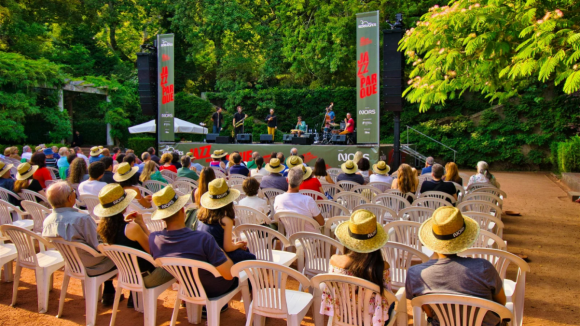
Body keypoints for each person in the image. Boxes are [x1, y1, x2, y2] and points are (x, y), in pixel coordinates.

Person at [406, 207, 506, 326]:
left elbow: (428, 312)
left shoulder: (415, 274)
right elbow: (501, 303)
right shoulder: (483, 268)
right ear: (464, 237)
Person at [148, 185, 239, 299]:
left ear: (162, 217)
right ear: (182, 210)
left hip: (187, 287)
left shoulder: (153, 239)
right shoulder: (203, 239)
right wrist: (220, 250)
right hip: (215, 288)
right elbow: (229, 274)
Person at [42, 181, 120, 306]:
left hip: (72, 262)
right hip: (94, 264)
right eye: (73, 192)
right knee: (122, 252)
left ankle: (109, 290)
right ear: (69, 198)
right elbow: (98, 246)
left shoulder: (47, 220)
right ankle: (132, 297)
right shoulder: (81, 219)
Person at [95, 184, 174, 305]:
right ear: (124, 205)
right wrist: (142, 225)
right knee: (180, 268)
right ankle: (189, 302)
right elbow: (153, 250)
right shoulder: (132, 229)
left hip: (126, 276)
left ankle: (135, 297)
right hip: (147, 277)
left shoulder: (102, 229)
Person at [321, 209, 392, 326]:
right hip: (371, 321)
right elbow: (387, 297)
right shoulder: (382, 267)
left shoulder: (335, 260)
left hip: (343, 317)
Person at [197, 179, 256, 263]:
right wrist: (239, 245)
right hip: (218, 257)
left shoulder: (202, 216)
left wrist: (235, 245)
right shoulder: (225, 220)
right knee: (251, 257)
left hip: (204, 255)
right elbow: (227, 248)